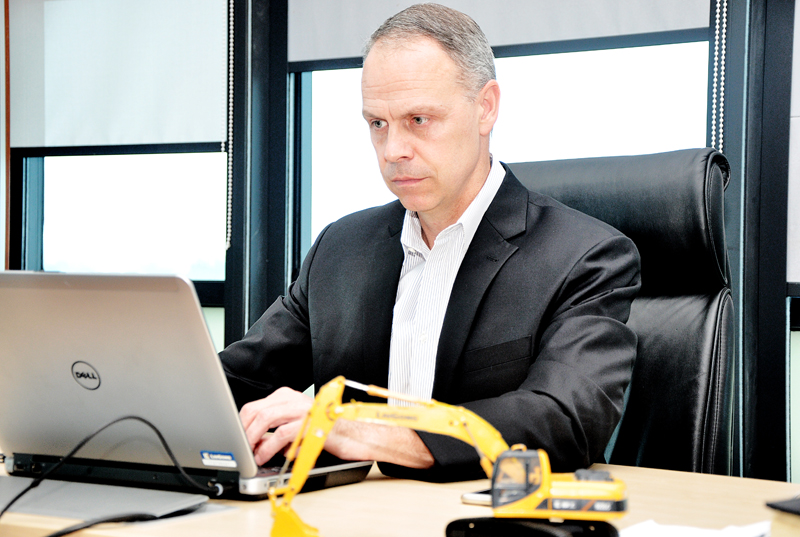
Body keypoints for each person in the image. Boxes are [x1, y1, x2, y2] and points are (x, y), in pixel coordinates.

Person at [219, 3, 641, 482]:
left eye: (418, 119)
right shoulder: (340, 248)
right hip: (349, 511)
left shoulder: (585, 257)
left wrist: (369, 432)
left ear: (486, 108)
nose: (393, 150)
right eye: (377, 123)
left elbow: (564, 418)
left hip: (483, 513)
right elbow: (234, 384)